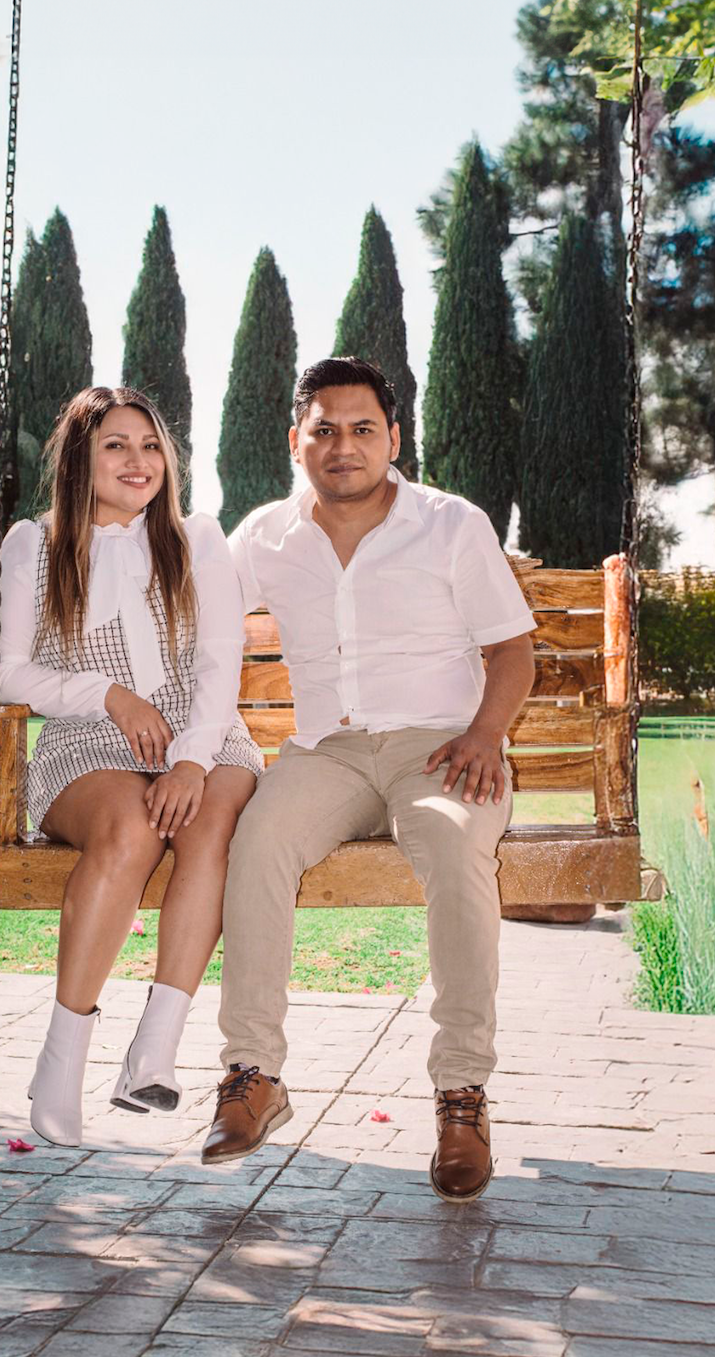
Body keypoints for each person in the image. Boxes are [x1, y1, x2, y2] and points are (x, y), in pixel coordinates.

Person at [202, 356, 536, 1201]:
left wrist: (487, 735)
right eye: (324, 430)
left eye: (361, 429)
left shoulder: (450, 524)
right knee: (257, 841)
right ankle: (253, 1074)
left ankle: (461, 1095)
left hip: (442, 748)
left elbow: (511, 649)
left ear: (393, 437)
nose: (342, 446)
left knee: (456, 851)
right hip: (328, 751)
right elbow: (192, 620)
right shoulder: (265, 535)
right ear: (296, 441)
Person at [0, 385, 261, 1147]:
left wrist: (191, 760)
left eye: (150, 445)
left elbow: (219, 663)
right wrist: (108, 695)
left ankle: (152, 1052)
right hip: (88, 736)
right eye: (116, 446)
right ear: (81, 459)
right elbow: (6, 673)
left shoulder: (197, 538)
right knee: (131, 831)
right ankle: (61, 1058)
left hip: (204, 732)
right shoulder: (33, 545)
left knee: (211, 821)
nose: (139, 461)